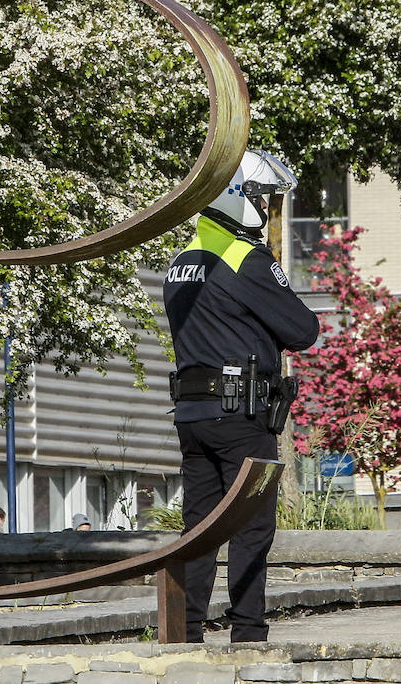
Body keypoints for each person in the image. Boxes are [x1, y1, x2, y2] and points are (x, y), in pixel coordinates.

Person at [163, 148, 320, 643]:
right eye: (263, 197)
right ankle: (248, 633)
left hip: (192, 414)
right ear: (238, 196)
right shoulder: (245, 259)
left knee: (200, 528)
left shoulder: (182, 261)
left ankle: (185, 632)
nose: (268, 209)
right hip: (241, 415)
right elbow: (303, 329)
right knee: (251, 527)